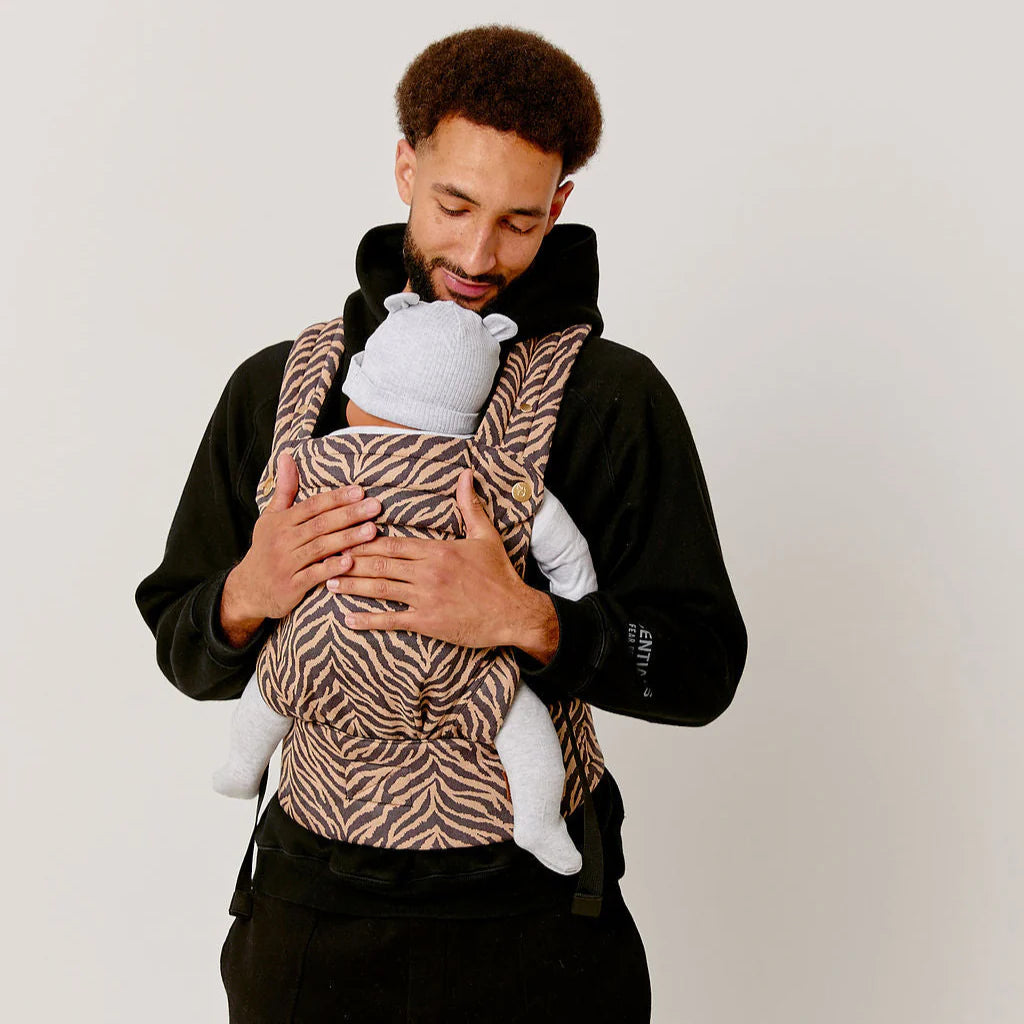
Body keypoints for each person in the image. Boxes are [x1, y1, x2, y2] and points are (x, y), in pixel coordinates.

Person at [135, 24, 747, 1024]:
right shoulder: (281, 386)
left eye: (518, 221)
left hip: (537, 927)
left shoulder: (611, 398)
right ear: (404, 168)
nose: (476, 254)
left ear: (560, 207)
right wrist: (247, 593)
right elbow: (182, 649)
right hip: (308, 920)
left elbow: (701, 669)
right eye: (454, 205)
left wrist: (534, 621)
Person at [213, 290, 597, 877]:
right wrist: (566, 607)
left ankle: (242, 768)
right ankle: (538, 818)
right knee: (521, 723)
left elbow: (273, 512)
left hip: (320, 649)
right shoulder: (487, 473)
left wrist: (254, 580)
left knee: (270, 692)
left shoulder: (309, 457)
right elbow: (564, 548)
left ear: (359, 388)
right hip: (452, 667)